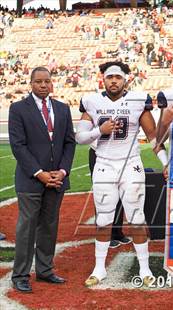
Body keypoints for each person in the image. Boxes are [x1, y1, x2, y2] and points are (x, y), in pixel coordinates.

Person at [76, 61, 164, 287]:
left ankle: (144, 269)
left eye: (118, 77)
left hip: (130, 165)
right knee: (104, 220)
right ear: (103, 79)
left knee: (137, 218)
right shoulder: (92, 101)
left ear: (126, 79)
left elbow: (153, 137)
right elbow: (80, 137)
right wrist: (100, 130)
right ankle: (99, 268)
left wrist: (166, 163)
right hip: (104, 164)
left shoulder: (137, 100)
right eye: (109, 77)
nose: (113, 81)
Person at [8, 67, 76, 293]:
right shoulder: (18, 109)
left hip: (57, 179)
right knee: (26, 229)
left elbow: (69, 143)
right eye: (39, 82)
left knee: (49, 226)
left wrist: (63, 171)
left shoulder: (63, 108)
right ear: (31, 83)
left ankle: (45, 270)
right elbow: (18, 145)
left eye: (47, 81)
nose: (44, 85)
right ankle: (20, 275)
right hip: (31, 180)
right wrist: (39, 173)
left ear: (52, 83)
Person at [87, 141, 131, 249]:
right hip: (99, 153)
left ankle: (117, 231)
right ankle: (104, 236)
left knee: (120, 192)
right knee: (104, 195)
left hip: (119, 155)